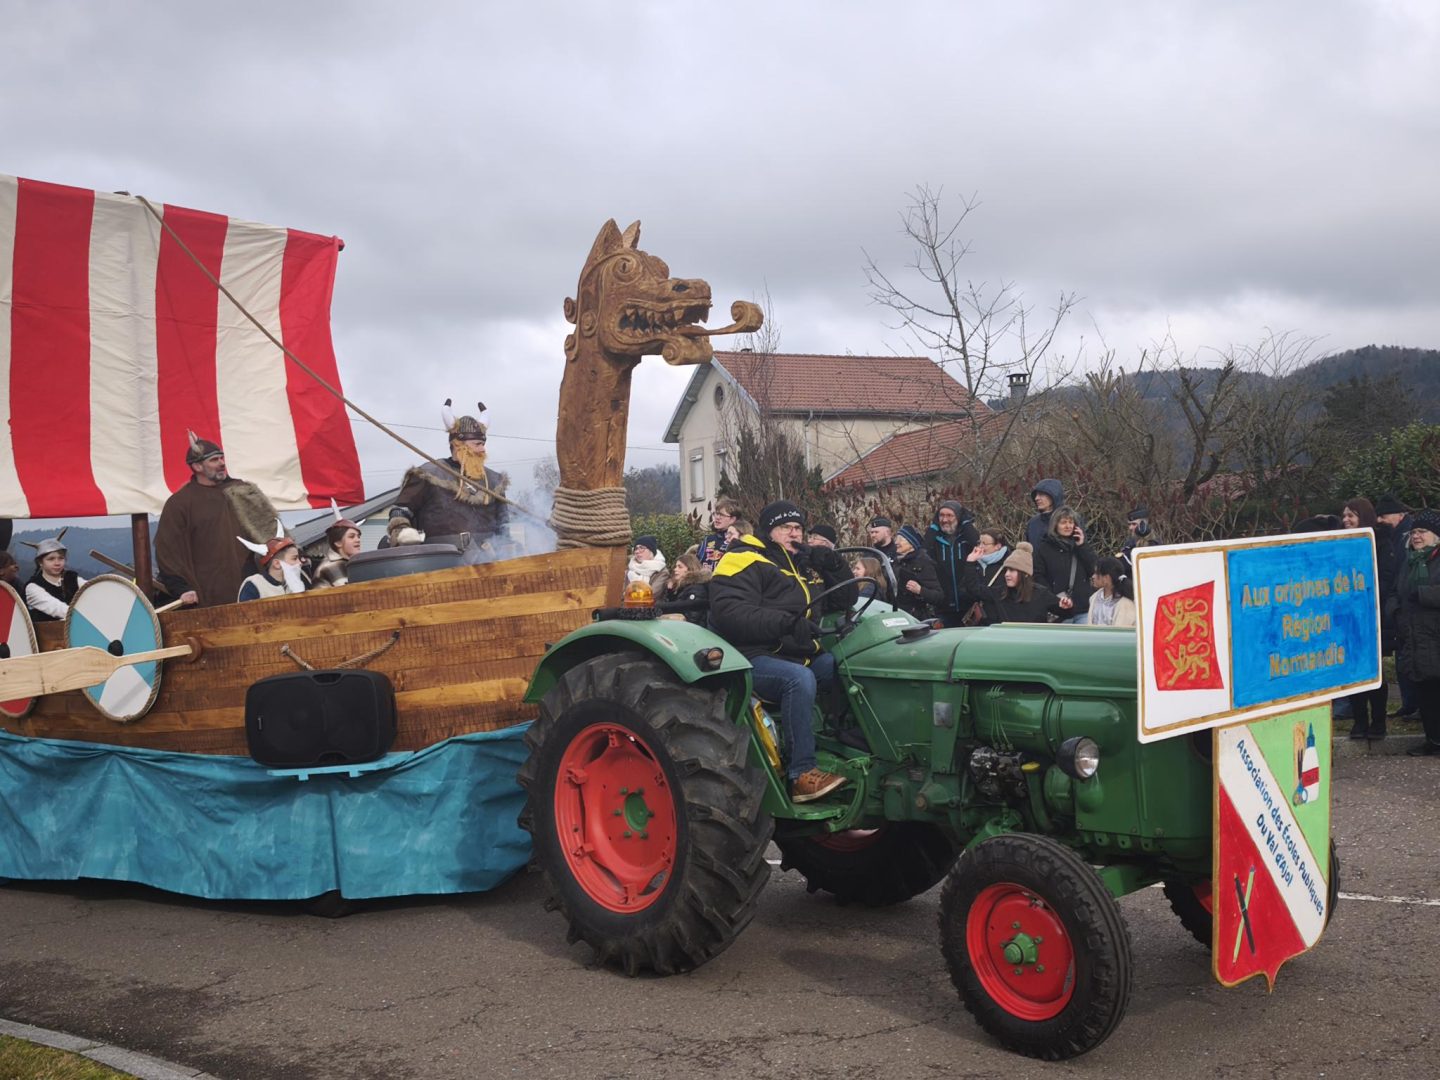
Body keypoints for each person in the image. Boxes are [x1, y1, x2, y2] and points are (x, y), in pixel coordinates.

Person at [709, 500, 852, 802]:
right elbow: (730, 613)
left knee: (846, 666)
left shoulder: (803, 564)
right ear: (768, 531)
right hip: (752, 656)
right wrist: (787, 624)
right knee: (798, 679)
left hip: (799, 654)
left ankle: (848, 746)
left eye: (798, 528)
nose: (794, 533)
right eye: (785, 527)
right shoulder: (743, 558)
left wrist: (833, 565)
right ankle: (801, 773)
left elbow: (844, 600)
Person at [155, 432, 283, 608]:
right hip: (209, 595)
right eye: (214, 460)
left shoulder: (243, 491)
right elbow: (168, 551)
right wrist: (181, 587)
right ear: (197, 466)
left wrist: (291, 557)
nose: (222, 463)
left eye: (222, 458)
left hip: (255, 588)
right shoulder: (180, 503)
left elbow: (272, 531)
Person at [388, 402, 509, 564]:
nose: (483, 450)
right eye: (477, 444)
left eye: (483, 444)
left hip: (489, 562)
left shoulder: (494, 481)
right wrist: (402, 532)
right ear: (458, 445)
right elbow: (400, 511)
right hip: (441, 562)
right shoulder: (428, 474)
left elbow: (503, 526)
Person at [1338, 498, 1388, 738]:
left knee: (1375, 671)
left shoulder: (1381, 543)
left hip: (1372, 616)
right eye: (1344, 516)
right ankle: (1359, 721)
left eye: (1351, 515)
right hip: (1348, 617)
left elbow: (1386, 578)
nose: (1346, 520)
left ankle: (1378, 722)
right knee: (1353, 671)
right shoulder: (1341, 543)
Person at [1395, 508, 1440, 756]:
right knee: (1426, 695)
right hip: (1415, 637)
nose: (1416, 536)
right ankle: (1432, 740)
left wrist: (1422, 593)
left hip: (1435, 636)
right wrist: (1394, 610)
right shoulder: (1409, 562)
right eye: (1413, 532)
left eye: (1422, 531)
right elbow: (1396, 591)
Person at [1376, 494, 1417, 720]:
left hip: (1407, 606)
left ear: (1400, 515)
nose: (1380, 520)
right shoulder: (1395, 536)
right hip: (1398, 605)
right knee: (1403, 658)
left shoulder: (1406, 537)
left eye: (1384, 515)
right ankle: (1409, 703)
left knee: (1409, 658)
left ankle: (1414, 704)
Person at [961, 541, 1059, 625]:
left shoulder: (1041, 593)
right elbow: (974, 588)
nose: (1007, 574)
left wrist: (1065, 606)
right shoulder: (1000, 593)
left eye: (1012, 570)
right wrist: (970, 562)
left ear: (1025, 574)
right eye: (1006, 570)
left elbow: (1063, 611)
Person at [1033, 506, 1097, 624]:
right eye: (1063, 522)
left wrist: (1082, 546)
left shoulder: (1080, 547)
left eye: (1070, 522)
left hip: (1082, 608)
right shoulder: (1044, 549)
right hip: (1058, 609)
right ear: (1055, 525)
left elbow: (1093, 569)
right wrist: (1053, 598)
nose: (1068, 526)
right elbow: (1038, 577)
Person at [924, 500, 981, 627]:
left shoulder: (965, 537)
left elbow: (977, 543)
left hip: (968, 604)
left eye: (949, 515)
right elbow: (924, 550)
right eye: (941, 515)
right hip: (944, 605)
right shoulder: (935, 539)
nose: (944, 520)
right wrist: (934, 525)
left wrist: (966, 522)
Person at [22, 533, 85, 622]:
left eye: (61, 558)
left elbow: (91, 590)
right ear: (40, 562)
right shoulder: (32, 587)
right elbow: (57, 608)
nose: (57, 563)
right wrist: (88, 616)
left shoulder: (72, 578)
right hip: (48, 631)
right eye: (51, 559)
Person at [237, 528, 311, 601]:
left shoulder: (295, 583)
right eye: (294, 558)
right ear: (277, 564)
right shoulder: (253, 585)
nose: (300, 563)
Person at [892, 524, 944, 621]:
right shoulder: (896, 562)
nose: (896, 542)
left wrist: (920, 590)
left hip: (916, 618)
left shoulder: (924, 562)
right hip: (897, 615)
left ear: (912, 543)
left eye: (901, 539)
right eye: (896, 539)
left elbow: (938, 596)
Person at [313, 503, 363, 589]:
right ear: (338, 542)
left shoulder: (349, 563)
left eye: (358, 536)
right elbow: (352, 592)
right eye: (351, 537)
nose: (357, 540)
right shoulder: (332, 565)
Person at [659, 552, 711, 626]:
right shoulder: (681, 586)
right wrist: (670, 592)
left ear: (690, 569)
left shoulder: (697, 588)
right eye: (676, 566)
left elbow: (692, 618)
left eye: (680, 567)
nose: (675, 569)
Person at [1086, 556, 1137, 627]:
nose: (1093, 576)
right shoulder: (1094, 598)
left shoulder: (1125, 603)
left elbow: (1121, 631)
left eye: (1097, 573)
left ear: (1107, 577)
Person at [696, 499, 739, 570]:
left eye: (722, 515)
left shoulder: (738, 540)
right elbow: (696, 564)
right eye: (716, 513)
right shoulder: (708, 539)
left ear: (732, 519)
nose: (717, 517)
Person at [1025, 479, 1065, 546]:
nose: (1036, 498)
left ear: (1053, 496)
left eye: (1041, 494)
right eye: (1036, 495)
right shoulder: (1032, 524)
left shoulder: (1070, 521)